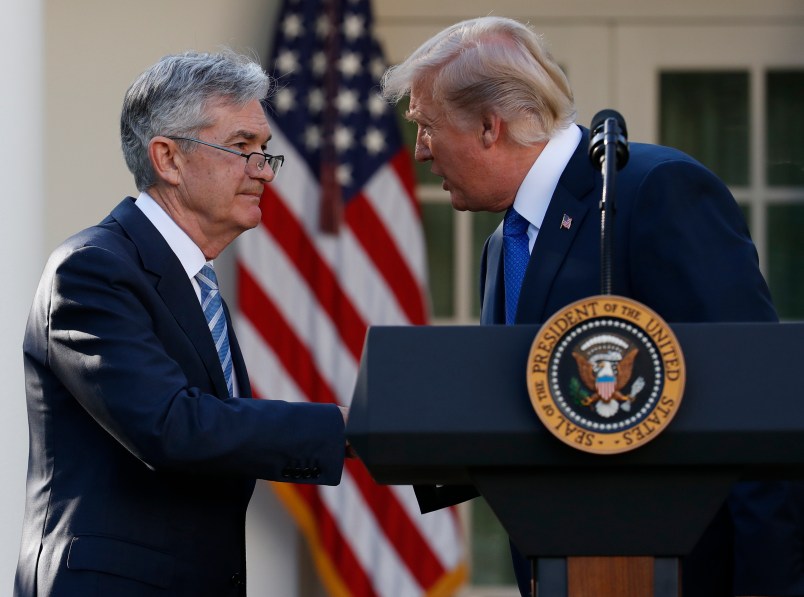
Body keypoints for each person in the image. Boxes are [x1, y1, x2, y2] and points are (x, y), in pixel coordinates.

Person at [381, 15, 803, 597]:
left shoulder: (654, 191)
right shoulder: (504, 242)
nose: (421, 152)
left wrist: (770, 585)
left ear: (487, 127)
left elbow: (756, 402)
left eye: (426, 128)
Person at [15, 50, 350, 596]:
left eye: (265, 152)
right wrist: (340, 427)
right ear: (168, 159)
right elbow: (173, 426)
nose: (263, 170)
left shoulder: (196, 284)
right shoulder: (92, 268)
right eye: (242, 149)